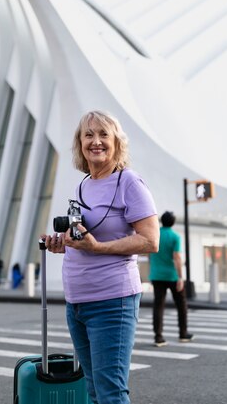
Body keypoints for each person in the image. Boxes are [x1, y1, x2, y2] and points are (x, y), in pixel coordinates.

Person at [42, 110, 159, 404]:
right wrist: (64, 244)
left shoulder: (129, 182)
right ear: (80, 143)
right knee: (93, 390)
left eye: (104, 135)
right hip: (77, 303)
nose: (96, 142)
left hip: (112, 302)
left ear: (117, 142)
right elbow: (87, 238)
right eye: (88, 135)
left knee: (110, 393)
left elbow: (149, 241)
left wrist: (99, 248)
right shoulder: (83, 185)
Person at [149, 211, 193, 347]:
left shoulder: (155, 233)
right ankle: (183, 333)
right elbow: (177, 258)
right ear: (173, 222)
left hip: (156, 275)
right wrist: (180, 277)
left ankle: (158, 337)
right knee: (181, 305)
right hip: (172, 276)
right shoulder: (175, 236)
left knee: (158, 306)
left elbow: (150, 253)